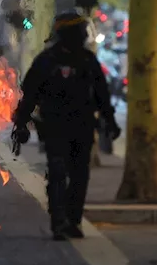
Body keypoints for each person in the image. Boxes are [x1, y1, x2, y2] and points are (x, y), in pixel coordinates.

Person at [11, 12, 120, 241]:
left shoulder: (88, 61)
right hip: (54, 126)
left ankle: (74, 220)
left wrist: (109, 121)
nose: (82, 36)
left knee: (80, 175)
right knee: (58, 172)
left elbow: (102, 94)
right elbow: (30, 94)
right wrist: (21, 122)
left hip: (82, 125)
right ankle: (59, 221)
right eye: (79, 32)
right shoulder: (47, 61)